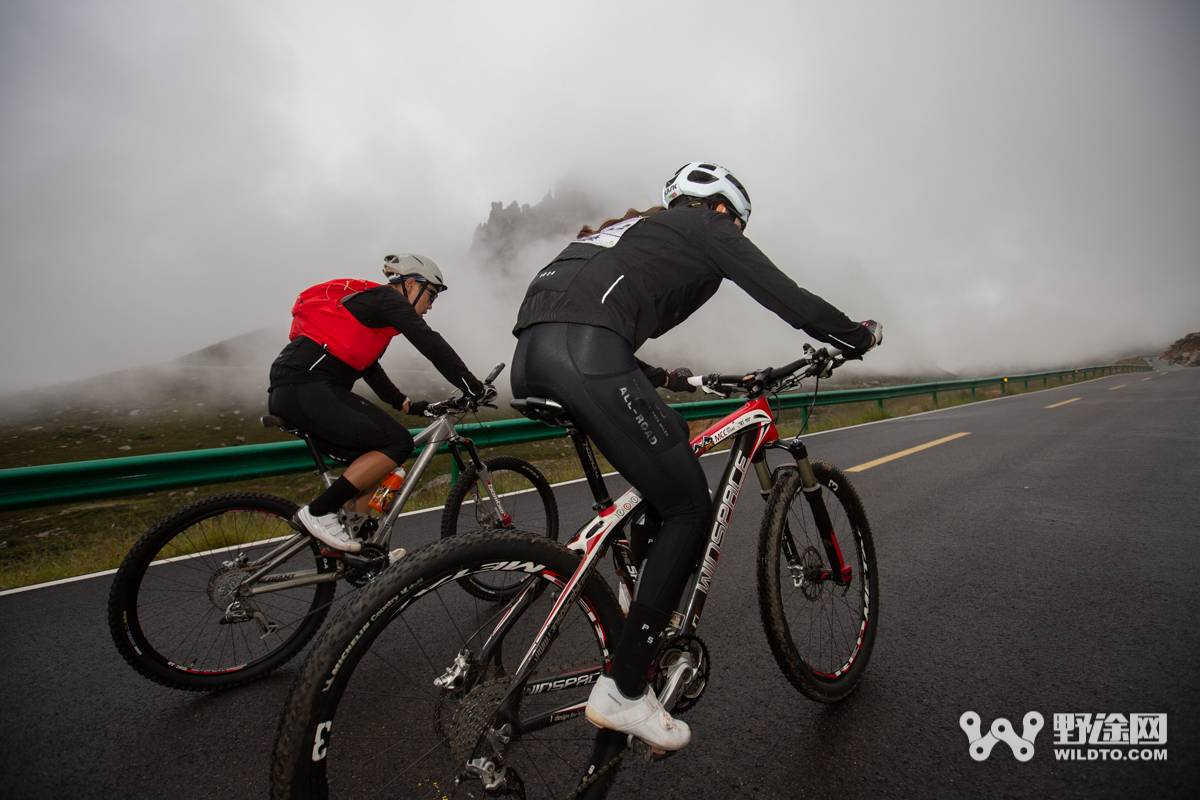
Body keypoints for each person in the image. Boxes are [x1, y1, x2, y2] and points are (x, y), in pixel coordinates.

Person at [510, 162, 881, 752]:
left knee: (669, 446)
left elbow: (601, 314)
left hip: (533, 354)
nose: (731, 228)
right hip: (584, 350)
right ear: (722, 209)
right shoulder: (705, 227)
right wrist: (851, 335)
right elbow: (784, 294)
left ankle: (638, 592)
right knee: (688, 506)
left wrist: (666, 378)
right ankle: (624, 691)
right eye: (733, 221)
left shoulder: (623, 233)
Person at [269, 253, 484, 553]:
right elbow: (429, 342)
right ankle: (319, 512)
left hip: (297, 390)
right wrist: (473, 387)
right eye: (431, 295)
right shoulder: (385, 297)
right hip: (303, 386)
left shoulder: (376, 318)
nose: (431, 305)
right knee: (397, 442)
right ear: (411, 285)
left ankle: (361, 551)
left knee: (373, 456)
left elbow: (370, 368)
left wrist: (409, 405)